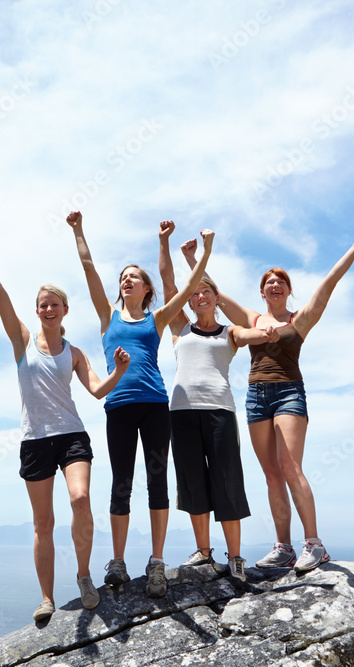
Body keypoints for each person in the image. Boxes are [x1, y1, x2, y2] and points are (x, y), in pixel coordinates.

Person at [180, 220, 354, 572]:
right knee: (271, 474)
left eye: (280, 282)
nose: (274, 285)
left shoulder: (300, 321)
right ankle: (283, 547)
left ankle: (313, 543)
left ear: (287, 290)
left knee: (289, 467)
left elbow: (329, 283)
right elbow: (215, 296)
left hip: (288, 394)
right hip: (256, 395)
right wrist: (194, 259)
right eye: (269, 282)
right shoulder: (253, 320)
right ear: (263, 292)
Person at [0, 230, 131, 622]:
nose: (48, 309)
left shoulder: (73, 352)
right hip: (35, 441)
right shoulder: (22, 341)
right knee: (43, 523)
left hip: (71, 436)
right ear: (37, 311)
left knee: (80, 499)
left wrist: (119, 371)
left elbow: (96, 390)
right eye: (42, 305)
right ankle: (46, 598)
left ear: (65, 310)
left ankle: (85, 576)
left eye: (54, 304)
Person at [66, 211, 215, 598]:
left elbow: (188, 289)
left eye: (133, 276)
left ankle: (157, 563)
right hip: (117, 406)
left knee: (156, 482)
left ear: (147, 288)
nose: (125, 280)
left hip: (153, 404)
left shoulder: (158, 318)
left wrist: (206, 250)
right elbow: (88, 269)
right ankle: (117, 562)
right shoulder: (107, 316)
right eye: (123, 278)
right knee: (121, 484)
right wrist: (79, 230)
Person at [158, 221, 280, 582]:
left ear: (214, 296)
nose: (200, 297)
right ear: (190, 301)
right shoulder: (180, 328)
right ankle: (204, 551)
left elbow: (250, 332)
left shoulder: (229, 332)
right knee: (193, 483)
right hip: (181, 413)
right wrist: (163, 242)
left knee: (227, 482)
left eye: (206, 291)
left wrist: (267, 330)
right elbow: (167, 282)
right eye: (194, 293)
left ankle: (237, 558)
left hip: (220, 413)